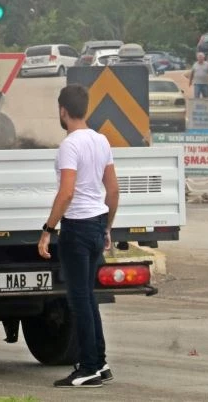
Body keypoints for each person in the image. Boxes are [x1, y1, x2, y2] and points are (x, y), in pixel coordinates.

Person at [38, 84, 119, 388]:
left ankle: (88, 368)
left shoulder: (69, 145)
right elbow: (113, 190)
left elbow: (67, 193)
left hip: (76, 227)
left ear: (63, 110)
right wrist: (107, 227)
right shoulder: (101, 140)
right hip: (97, 223)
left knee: (79, 300)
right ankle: (100, 362)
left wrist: (47, 230)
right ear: (85, 108)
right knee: (88, 297)